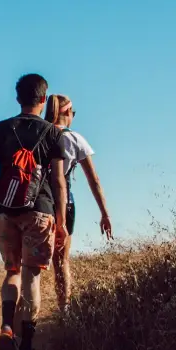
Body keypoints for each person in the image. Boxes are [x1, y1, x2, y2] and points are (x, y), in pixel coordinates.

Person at [0, 74, 67, 350]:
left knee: (11, 271)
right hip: (40, 211)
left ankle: (5, 327)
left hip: (5, 211)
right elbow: (58, 181)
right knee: (31, 277)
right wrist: (62, 221)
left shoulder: (0, 129)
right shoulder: (53, 133)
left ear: (18, 99)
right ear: (44, 99)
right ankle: (26, 349)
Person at [45, 93, 113, 307]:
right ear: (66, 112)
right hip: (64, 203)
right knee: (61, 261)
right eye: (72, 113)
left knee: (30, 263)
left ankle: (26, 315)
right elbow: (94, 180)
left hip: (37, 203)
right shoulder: (74, 139)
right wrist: (104, 213)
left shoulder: (40, 134)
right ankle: (64, 310)